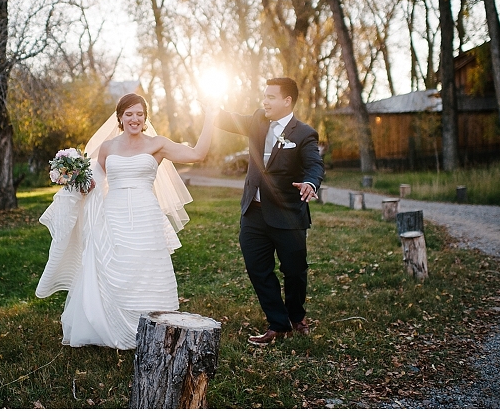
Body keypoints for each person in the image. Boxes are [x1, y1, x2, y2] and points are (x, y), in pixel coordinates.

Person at [35, 93, 217, 349]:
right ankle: (114, 326)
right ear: (120, 117)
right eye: (129, 114)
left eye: (139, 114)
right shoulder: (108, 148)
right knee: (117, 266)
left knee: (147, 267)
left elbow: (198, 154)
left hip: (147, 215)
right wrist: (75, 177)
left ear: (145, 118)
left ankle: (155, 327)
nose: (134, 119)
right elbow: (94, 183)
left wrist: (210, 117)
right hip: (114, 214)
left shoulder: (158, 144)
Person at [215, 77, 324, 346]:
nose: (265, 101)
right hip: (253, 211)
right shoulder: (257, 120)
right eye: (264, 96)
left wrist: (310, 182)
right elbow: (226, 119)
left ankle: (297, 317)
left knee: (295, 271)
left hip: (288, 213)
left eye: (271, 97)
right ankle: (278, 323)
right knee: (257, 268)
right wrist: (208, 104)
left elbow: (315, 164)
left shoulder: (304, 133)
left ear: (287, 101)